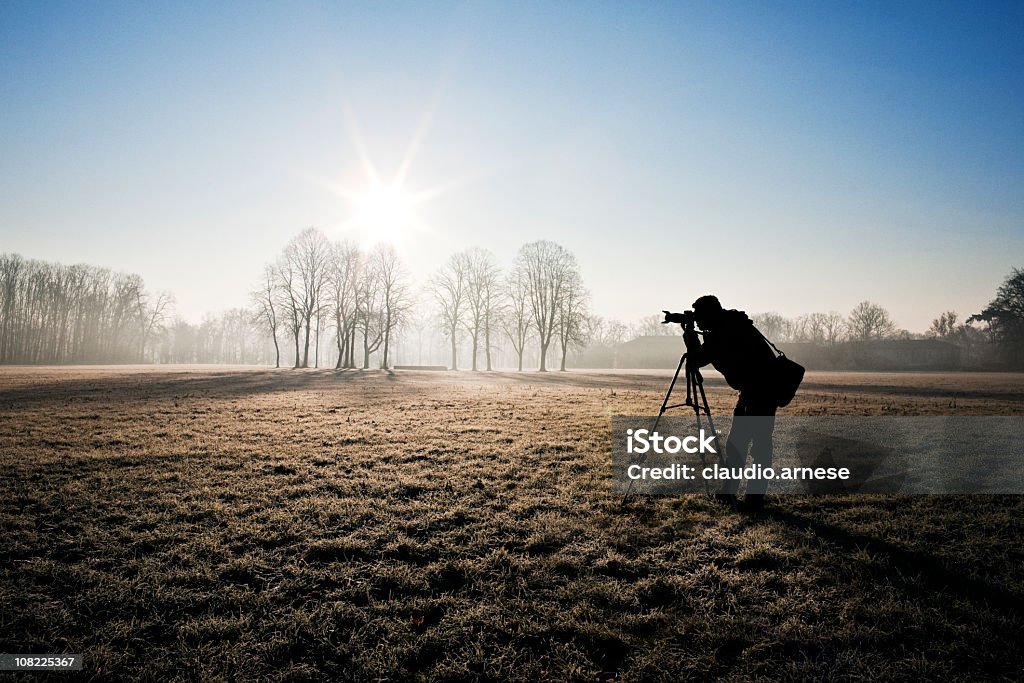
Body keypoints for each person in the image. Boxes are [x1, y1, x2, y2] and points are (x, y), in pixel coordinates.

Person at [682, 295, 778, 512]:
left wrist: (689, 335)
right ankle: (737, 492)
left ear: (710, 315)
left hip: (760, 390)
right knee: (744, 443)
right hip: (756, 389)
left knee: (756, 445)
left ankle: (751, 497)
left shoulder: (724, 332)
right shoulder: (730, 324)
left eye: (699, 318)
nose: (697, 322)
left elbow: (698, 358)